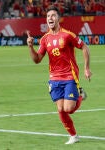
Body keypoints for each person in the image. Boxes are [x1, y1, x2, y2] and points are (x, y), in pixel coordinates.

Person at [26, 5, 92, 144]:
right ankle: (73, 136)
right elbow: (37, 59)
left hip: (69, 76)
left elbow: (84, 46)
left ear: (58, 18)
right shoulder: (44, 39)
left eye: (53, 15)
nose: (50, 18)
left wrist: (86, 68)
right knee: (61, 109)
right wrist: (30, 47)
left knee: (68, 109)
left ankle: (79, 95)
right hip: (54, 79)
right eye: (48, 16)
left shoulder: (67, 35)